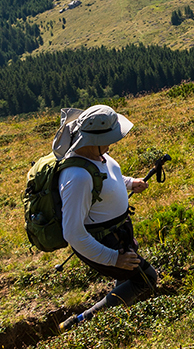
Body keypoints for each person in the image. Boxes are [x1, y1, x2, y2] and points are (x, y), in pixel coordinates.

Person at [53, 104, 160, 331]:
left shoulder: (97, 154)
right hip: (105, 241)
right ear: (95, 138)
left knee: (127, 279)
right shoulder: (77, 177)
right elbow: (72, 232)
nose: (113, 143)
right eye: (111, 137)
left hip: (118, 233)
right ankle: (82, 322)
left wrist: (131, 183)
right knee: (146, 278)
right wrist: (113, 258)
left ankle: (118, 319)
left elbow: (107, 178)